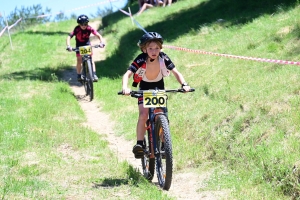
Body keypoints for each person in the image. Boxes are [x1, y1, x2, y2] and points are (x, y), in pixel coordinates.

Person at [121, 32, 191, 158]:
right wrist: (125, 88)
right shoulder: (140, 59)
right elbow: (127, 74)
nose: (154, 51)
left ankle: (165, 144)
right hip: (144, 89)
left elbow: (176, 72)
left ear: (161, 48)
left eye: (157, 48)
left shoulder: (163, 58)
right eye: (150, 48)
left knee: (162, 115)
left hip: (159, 88)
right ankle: (140, 144)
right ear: (144, 49)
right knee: (143, 114)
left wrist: (184, 84)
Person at [66, 14, 105, 82]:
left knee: (91, 59)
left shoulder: (89, 28)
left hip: (87, 44)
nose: (83, 26)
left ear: (87, 24)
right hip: (79, 45)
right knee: (79, 60)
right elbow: (69, 37)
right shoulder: (77, 29)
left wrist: (101, 42)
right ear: (79, 24)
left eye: (85, 24)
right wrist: (68, 46)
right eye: (82, 24)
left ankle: (94, 74)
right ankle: (78, 75)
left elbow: (98, 35)